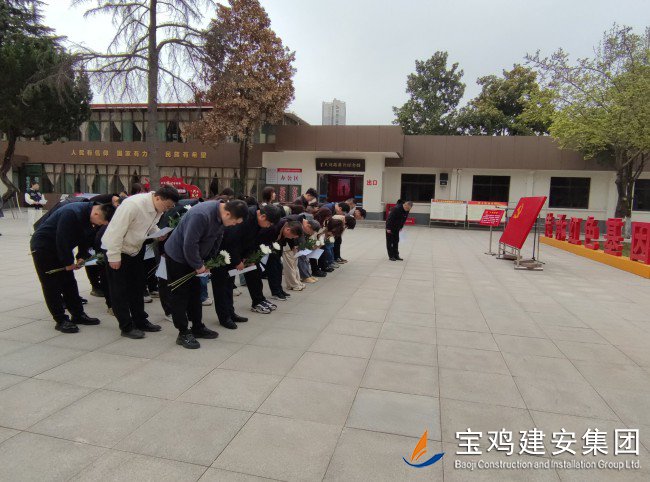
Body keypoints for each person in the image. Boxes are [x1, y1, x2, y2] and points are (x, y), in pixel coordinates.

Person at [164, 199, 248, 349]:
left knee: (195, 293)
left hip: (195, 257)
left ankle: (197, 327)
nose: (234, 225)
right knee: (180, 295)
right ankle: (183, 332)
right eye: (234, 222)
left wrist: (209, 261)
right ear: (228, 214)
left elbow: (217, 238)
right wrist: (198, 265)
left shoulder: (222, 217)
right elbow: (189, 244)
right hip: (178, 257)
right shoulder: (202, 215)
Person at [102, 185, 180, 339]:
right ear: (158, 198)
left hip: (135, 249)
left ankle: (140, 320)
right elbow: (115, 232)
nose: (166, 210)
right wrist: (114, 256)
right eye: (167, 206)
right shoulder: (133, 205)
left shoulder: (157, 207)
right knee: (119, 291)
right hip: (118, 250)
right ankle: (126, 326)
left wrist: (157, 233)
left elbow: (149, 224)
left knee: (137, 287)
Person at [31, 202, 116, 333]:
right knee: (51, 284)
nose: (101, 225)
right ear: (96, 214)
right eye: (102, 222)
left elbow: (85, 238)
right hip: (44, 247)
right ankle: (61, 320)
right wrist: (68, 262)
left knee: (69, 282)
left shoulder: (89, 215)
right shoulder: (71, 213)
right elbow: (62, 238)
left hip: (61, 247)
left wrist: (81, 256)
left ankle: (78, 315)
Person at [263, 219, 303, 301]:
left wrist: (292, 247)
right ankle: (275, 292)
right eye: (292, 236)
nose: (291, 238)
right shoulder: (275, 227)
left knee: (279, 268)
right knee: (273, 270)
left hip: (277, 246)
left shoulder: (286, 227)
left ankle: (279, 289)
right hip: (269, 248)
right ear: (288, 229)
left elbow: (289, 239)